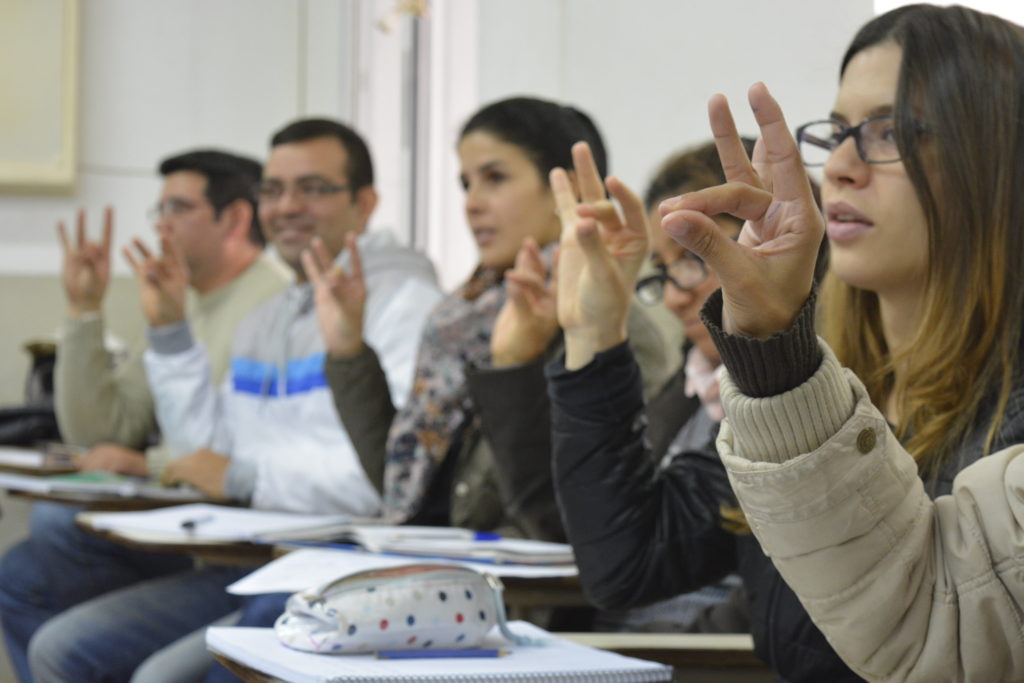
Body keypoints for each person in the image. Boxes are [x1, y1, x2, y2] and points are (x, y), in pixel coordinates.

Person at [550, 5, 1024, 681]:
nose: (842, 166)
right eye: (838, 132)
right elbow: (628, 558)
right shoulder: (817, 378)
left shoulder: (1008, 414)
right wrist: (593, 332)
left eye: (888, 132)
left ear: (998, 159)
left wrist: (774, 346)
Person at [191, 96, 671, 683]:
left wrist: (514, 364)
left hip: (521, 620)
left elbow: (568, 525)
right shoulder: (463, 316)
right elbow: (403, 489)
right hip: (433, 582)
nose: (471, 203)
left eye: (495, 178)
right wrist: (348, 352)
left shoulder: (610, 324)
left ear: (565, 192)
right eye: (465, 181)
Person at [22, 118, 442, 683]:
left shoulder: (404, 305)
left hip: (343, 570)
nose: (287, 205)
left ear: (364, 204)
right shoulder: (266, 318)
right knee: (61, 649)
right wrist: (169, 330)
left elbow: (382, 480)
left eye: (313, 188)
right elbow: (205, 456)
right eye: (273, 189)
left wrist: (245, 478)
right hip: (254, 561)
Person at [0, 149, 290, 683]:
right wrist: (83, 310)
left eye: (177, 208)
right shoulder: (185, 298)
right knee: (18, 573)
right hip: (183, 517)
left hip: (237, 541)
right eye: (157, 212)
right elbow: (104, 428)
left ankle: (110, 644)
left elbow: (229, 453)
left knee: (57, 528)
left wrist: (147, 464)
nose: (162, 225)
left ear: (235, 218)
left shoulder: (271, 300)